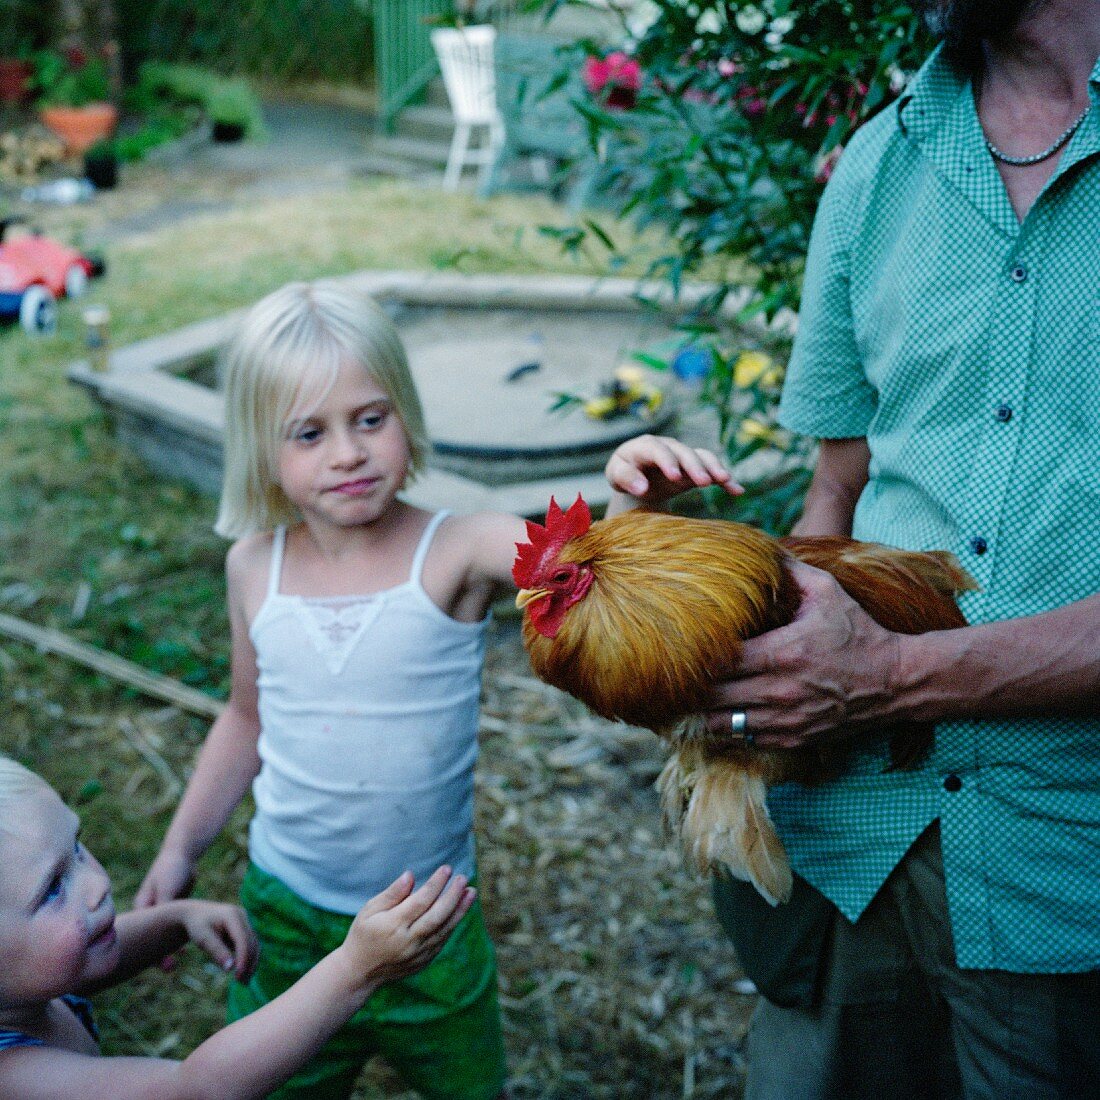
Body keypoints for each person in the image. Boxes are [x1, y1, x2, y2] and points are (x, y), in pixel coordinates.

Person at [134, 279, 715, 1099]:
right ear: (261, 448)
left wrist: (628, 504)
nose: (348, 451)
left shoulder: (458, 549)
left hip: (430, 919)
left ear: (406, 413)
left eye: (370, 418)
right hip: (288, 915)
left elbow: (580, 577)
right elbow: (243, 717)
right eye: (310, 432)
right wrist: (178, 850)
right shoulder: (251, 568)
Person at [684, 1, 1100, 1096]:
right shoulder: (879, 165)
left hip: (1066, 861)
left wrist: (887, 676)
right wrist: (758, 657)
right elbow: (838, 483)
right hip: (851, 839)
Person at [0, 755, 474, 1100]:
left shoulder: (25, 983)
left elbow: (95, 961)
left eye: (78, 848)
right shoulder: (17, 1077)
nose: (97, 884)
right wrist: (356, 968)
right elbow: (197, 1091)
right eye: (52, 890)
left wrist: (174, 919)